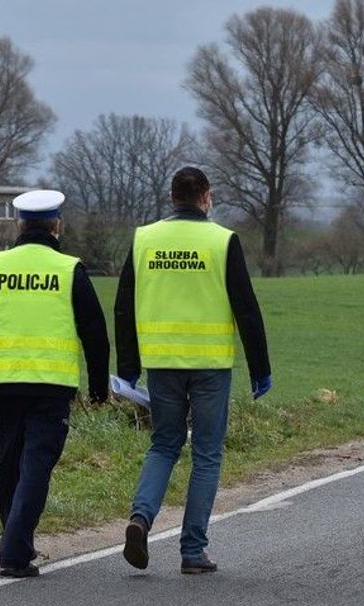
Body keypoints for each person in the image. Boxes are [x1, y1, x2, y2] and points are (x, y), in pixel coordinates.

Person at [114, 166, 271, 574]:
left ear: (172, 197)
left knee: (164, 445)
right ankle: (192, 550)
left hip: (162, 363)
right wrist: (260, 369)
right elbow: (246, 307)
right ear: (206, 197)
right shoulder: (222, 241)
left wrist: (128, 367)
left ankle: (141, 518)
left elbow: (124, 305)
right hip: (210, 366)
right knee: (206, 454)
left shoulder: (144, 239)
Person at [0, 189, 110, 578]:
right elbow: (95, 332)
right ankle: (15, 549)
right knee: (36, 467)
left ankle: (15, 541)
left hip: (4, 386)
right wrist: (97, 388)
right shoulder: (69, 268)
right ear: (57, 225)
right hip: (51, 387)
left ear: (20, 224)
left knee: (6, 467)